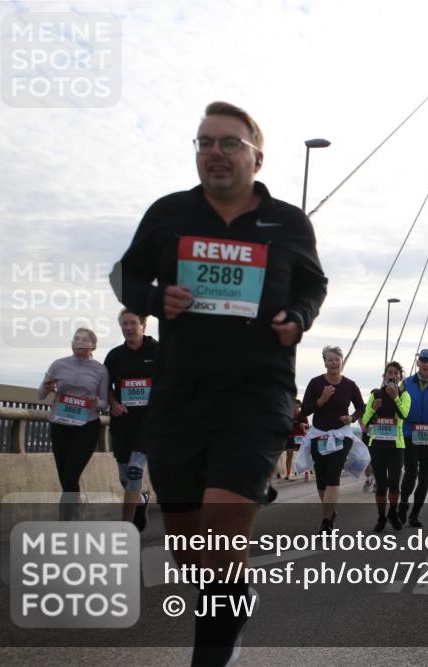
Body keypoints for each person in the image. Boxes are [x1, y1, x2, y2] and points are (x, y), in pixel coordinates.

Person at [113, 101, 327, 666]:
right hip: (180, 399)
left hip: (257, 396)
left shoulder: (288, 223)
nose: (215, 152)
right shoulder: (169, 214)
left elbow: (313, 286)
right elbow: (125, 275)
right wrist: (154, 298)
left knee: (223, 530)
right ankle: (233, 600)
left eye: (230, 142)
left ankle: (210, 654)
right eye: (205, 142)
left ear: (256, 157)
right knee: (191, 549)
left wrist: (298, 318)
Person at [39, 328, 109, 521]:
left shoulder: (100, 370)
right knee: (65, 478)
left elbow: (104, 403)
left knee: (70, 476)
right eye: (76, 338)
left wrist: (96, 402)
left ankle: (66, 522)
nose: (79, 341)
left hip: (87, 427)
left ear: (93, 346)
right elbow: (41, 395)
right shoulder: (58, 364)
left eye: (84, 339)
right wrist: (47, 387)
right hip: (60, 426)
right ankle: (78, 503)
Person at [103, 309, 158, 530]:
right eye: (124, 324)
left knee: (135, 470)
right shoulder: (115, 356)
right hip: (123, 423)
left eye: (132, 323)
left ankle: (125, 526)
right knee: (126, 478)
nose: (128, 328)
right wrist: (113, 404)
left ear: (143, 325)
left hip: (149, 423)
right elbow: (105, 386)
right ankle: (141, 499)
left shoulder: (158, 351)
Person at [301, 345, 365, 533]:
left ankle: (326, 522)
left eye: (337, 359)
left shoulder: (350, 385)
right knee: (321, 480)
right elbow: (304, 410)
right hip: (318, 435)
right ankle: (330, 513)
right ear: (325, 362)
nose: (334, 363)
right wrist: (321, 399)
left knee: (332, 476)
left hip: (341, 435)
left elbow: (361, 407)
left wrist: (352, 418)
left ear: (342, 362)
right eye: (330, 359)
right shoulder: (315, 383)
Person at [361, 361, 411, 531]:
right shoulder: (375, 394)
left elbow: (404, 415)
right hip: (377, 446)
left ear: (400, 378)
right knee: (381, 486)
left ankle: (393, 513)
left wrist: (395, 396)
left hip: (396, 447)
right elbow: (365, 422)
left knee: (394, 483)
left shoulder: (404, 395)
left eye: (396, 373)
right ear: (384, 376)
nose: (393, 375)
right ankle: (381, 517)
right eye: (390, 372)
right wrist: (373, 409)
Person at [398, 349, 428, 527]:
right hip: (410, 434)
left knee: (425, 477)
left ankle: (415, 514)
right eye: (423, 361)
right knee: (411, 472)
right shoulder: (406, 383)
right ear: (418, 363)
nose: (426, 364)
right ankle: (403, 504)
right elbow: (395, 402)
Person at [282, 399, 308, 480]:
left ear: (299, 407)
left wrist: (304, 425)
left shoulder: (303, 415)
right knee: (289, 454)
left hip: (300, 437)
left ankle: (306, 473)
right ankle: (288, 474)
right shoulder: (287, 414)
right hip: (290, 437)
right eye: (293, 406)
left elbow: (307, 427)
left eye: (297, 406)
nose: (295, 408)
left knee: (303, 455)